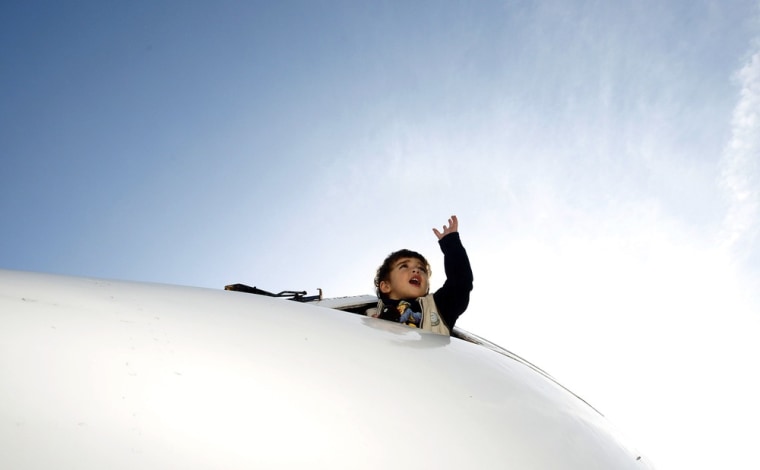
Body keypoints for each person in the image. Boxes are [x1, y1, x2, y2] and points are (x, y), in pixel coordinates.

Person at [369, 215, 473, 335]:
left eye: (421, 269)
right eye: (404, 266)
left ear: (427, 287)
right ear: (386, 286)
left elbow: (460, 282)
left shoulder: (438, 307)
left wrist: (451, 243)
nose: (416, 271)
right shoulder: (367, 314)